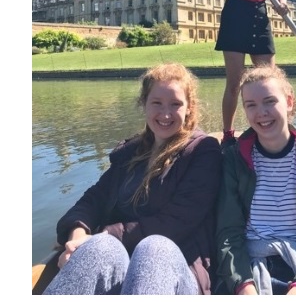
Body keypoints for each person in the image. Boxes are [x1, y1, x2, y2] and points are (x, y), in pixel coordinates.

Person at [43, 63, 222, 295]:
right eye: (156, 103)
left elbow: (177, 221)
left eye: (175, 104)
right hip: (119, 263)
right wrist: (77, 235)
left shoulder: (202, 151)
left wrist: (106, 233)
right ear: (144, 104)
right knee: (101, 248)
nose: (165, 114)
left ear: (189, 108)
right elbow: (94, 199)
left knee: (153, 247)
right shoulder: (131, 152)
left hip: (177, 268)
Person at [215, 65, 296, 295]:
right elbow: (228, 234)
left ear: (288, 102)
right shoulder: (235, 162)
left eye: (270, 101)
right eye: (251, 105)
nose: (261, 113)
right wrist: (244, 286)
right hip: (247, 268)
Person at [214, 0, 289, 143]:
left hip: (259, 14)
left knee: (271, 80)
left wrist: (282, 3)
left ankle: (277, 128)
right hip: (236, 14)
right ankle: (228, 133)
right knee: (235, 82)